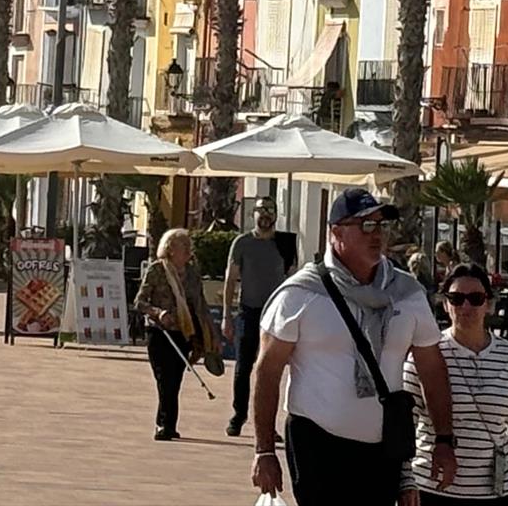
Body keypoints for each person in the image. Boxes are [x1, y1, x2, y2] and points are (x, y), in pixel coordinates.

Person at [250, 188, 459, 506]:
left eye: (381, 225)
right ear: (336, 232)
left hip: (382, 447)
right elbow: (267, 371)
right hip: (317, 442)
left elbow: (431, 367)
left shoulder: (407, 293)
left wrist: (444, 439)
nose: (376, 234)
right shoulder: (301, 293)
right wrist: (264, 450)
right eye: (365, 225)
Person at [403, 264, 508, 506]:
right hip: (434, 488)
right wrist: (405, 481)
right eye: (456, 299)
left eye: (475, 299)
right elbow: (405, 424)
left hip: (498, 491)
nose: (465, 307)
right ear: (445, 304)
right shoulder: (426, 354)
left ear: (488, 304)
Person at [134, 227, 221, 441]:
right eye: (184, 246)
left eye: (189, 246)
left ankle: (168, 424)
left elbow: (200, 304)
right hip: (159, 332)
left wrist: (212, 334)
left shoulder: (192, 273)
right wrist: (158, 313)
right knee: (164, 379)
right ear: (171, 249)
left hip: (184, 332)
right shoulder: (157, 270)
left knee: (175, 380)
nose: (189, 250)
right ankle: (164, 424)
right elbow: (140, 302)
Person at [225, 197, 298, 436]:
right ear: (252, 214)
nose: (265, 215)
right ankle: (239, 415)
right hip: (248, 311)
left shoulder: (286, 244)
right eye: (261, 210)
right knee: (243, 367)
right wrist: (226, 315)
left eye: (270, 210)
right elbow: (230, 279)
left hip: (275, 315)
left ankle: (267, 425)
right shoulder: (242, 243)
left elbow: (293, 281)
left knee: (269, 371)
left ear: (276, 215)